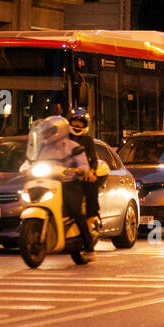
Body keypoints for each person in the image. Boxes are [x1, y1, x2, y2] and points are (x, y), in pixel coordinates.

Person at [28, 115, 96, 262]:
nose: (46, 135)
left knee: (75, 210)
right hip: (49, 183)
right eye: (45, 132)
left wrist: (77, 170)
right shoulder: (44, 149)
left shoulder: (73, 147)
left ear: (59, 131)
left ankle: (89, 246)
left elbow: (84, 165)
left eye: (49, 131)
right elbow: (34, 163)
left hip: (70, 183)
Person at [67, 108, 101, 260]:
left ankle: (89, 244)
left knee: (80, 208)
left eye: (81, 122)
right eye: (75, 121)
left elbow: (93, 159)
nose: (77, 125)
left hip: (81, 178)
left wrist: (91, 171)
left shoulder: (87, 141)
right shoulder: (61, 139)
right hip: (63, 177)